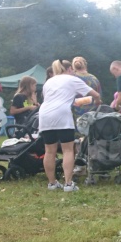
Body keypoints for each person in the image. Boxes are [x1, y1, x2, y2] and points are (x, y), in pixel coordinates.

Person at [39, 59, 101, 191]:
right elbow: (95, 94)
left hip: (45, 115)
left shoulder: (49, 81)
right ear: (69, 69)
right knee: (68, 150)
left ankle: (52, 183)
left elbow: (51, 99)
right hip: (62, 115)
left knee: (49, 151)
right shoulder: (72, 79)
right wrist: (97, 102)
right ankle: (68, 184)